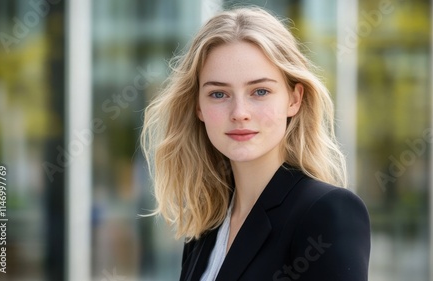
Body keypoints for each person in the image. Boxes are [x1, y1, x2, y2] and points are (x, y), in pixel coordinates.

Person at [141, 6, 370, 281]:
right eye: (218, 94)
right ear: (198, 107)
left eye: (260, 91)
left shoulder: (326, 212)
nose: (239, 112)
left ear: (293, 99)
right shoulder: (206, 227)